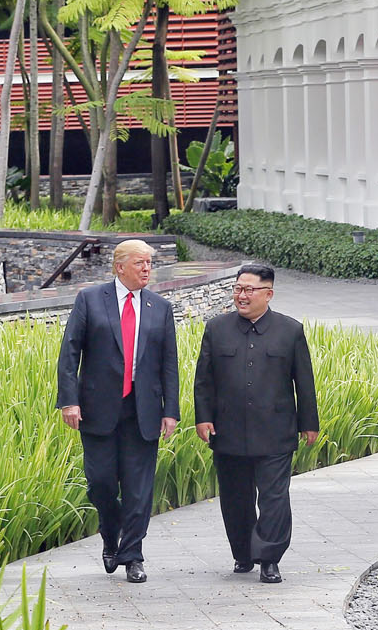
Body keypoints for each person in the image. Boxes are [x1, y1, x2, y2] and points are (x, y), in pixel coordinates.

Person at [57, 239, 179, 584]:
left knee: (139, 489)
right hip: (98, 409)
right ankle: (111, 534)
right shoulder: (90, 299)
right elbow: (70, 352)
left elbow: (169, 363)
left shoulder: (160, 307)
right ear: (119, 266)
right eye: (140, 263)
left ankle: (133, 555)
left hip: (143, 410)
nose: (146, 269)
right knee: (101, 484)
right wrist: (69, 400)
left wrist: (170, 410)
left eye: (149, 263)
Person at [194, 262, 318, 583]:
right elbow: (204, 380)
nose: (242, 295)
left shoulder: (290, 330)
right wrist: (203, 418)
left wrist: (309, 422)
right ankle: (243, 553)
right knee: (235, 498)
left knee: (274, 498)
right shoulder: (217, 329)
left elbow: (304, 381)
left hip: (275, 430)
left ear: (268, 294)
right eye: (238, 288)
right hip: (228, 430)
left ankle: (269, 558)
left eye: (249, 290)